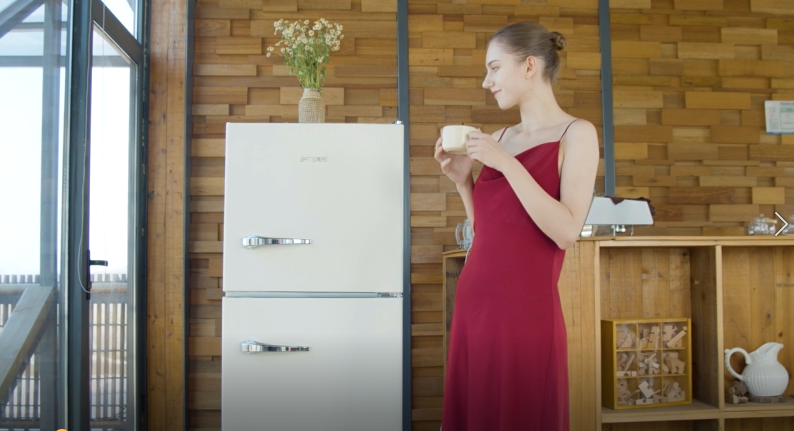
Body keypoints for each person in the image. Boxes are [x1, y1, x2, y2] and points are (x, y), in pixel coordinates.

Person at [436, 21, 599, 431]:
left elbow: (566, 231)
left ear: (529, 66)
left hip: (526, 313)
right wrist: (463, 182)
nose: (486, 81)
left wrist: (505, 163)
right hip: (475, 306)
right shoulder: (500, 137)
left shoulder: (577, 134)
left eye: (494, 68)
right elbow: (487, 233)